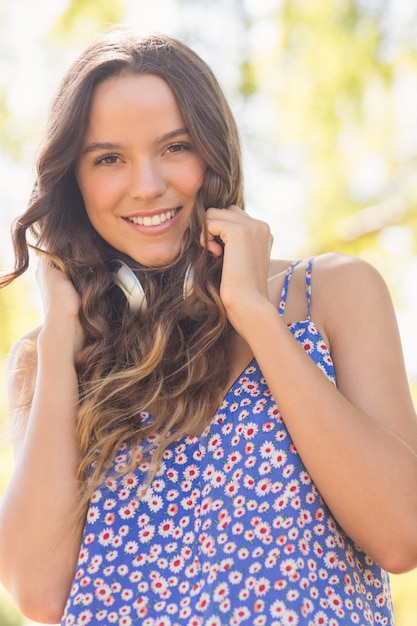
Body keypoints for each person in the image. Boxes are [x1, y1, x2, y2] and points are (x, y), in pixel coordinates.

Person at [0, 28, 416, 626]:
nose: (147, 185)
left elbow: (402, 534)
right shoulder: (48, 359)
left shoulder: (331, 293)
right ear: (73, 182)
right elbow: (39, 595)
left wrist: (251, 309)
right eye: (109, 158)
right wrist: (62, 329)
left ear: (213, 153)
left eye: (174, 147)